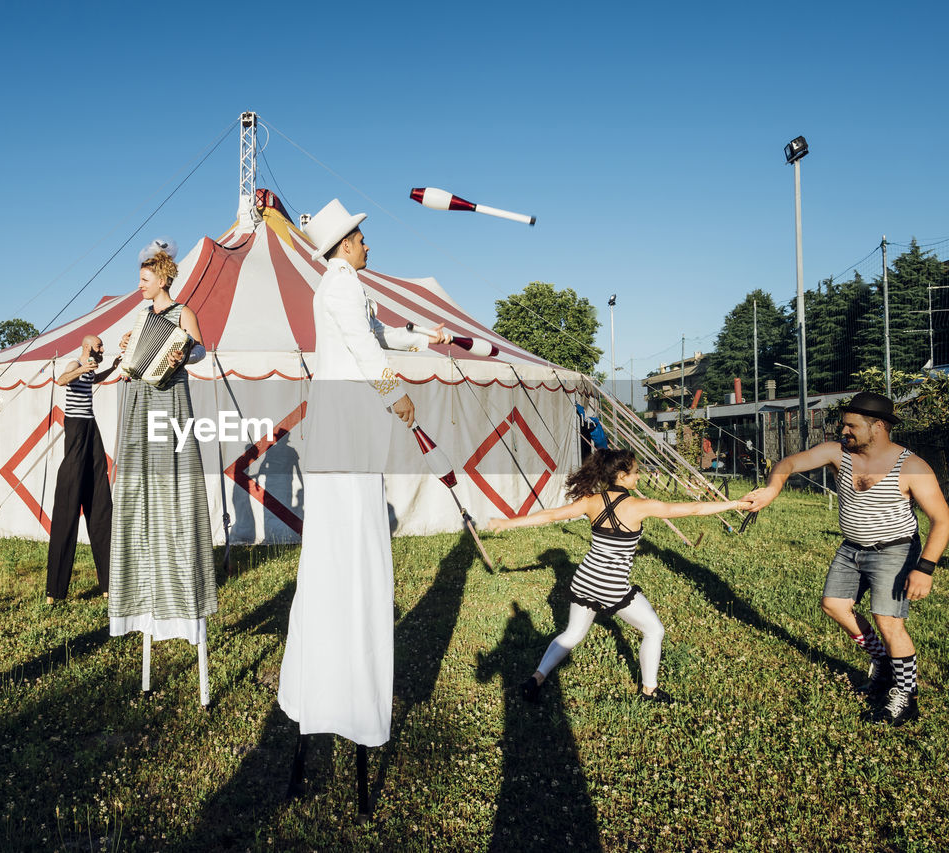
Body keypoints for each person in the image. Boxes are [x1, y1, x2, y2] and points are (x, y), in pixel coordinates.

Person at [276, 199, 449, 810]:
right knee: (351, 551)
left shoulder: (345, 285)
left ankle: (336, 680)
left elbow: (378, 334)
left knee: (344, 548)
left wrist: (420, 336)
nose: (368, 245)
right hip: (348, 430)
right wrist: (397, 394)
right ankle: (347, 676)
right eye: (361, 238)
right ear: (345, 243)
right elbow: (363, 347)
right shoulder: (341, 289)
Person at [744, 391, 947, 726]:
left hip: (894, 550)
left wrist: (925, 568)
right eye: (844, 425)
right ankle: (882, 662)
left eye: (851, 426)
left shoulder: (911, 467)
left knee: (888, 621)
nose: (844, 431)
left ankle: (905, 698)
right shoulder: (839, 453)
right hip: (852, 547)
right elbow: (789, 463)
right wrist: (772, 489)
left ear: (878, 426)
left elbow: (942, 519)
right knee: (834, 605)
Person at [487, 448, 748, 704]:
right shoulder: (639, 506)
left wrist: (507, 523)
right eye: (635, 473)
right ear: (621, 476)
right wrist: (735, 503)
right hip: (611, 586)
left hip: (584, 579)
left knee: (573, 634)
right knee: (654, 630)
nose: (638, 477)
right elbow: (692, 509)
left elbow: (551, 515)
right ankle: (649, 691)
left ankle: (536, 678)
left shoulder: (591, 501)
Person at [108, 239, 216, 649]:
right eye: (140, 279)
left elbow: (201, 349)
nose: (140, 285)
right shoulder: (141, 316)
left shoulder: (182, 312)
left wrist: (181, 356)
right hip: (139, 396)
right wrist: (126, 348)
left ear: (163, 279)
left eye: (145, 279)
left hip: (168, 395)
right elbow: (135, 353)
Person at [45, 334, 120, 604]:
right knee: (72, 484)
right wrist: (80, 369)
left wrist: (112, 369)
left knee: (98, 483)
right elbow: (62, 381)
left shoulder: (90, 368)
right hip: (75, 426)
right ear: (88, 346)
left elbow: (94, 380)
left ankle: (109, 583)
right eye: (100, 346)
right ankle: (56, 590)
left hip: (91, 426)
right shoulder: (73, 363)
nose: (103, 349)